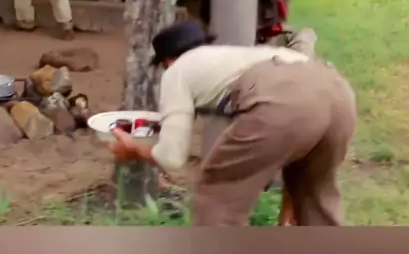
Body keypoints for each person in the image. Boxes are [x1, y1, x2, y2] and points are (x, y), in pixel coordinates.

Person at [109, 20, 356, 226]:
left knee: (217, 197)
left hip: (285, 104)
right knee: (316, 200)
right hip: (338, 94)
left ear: (169, 60)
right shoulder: (241, 57)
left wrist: (135, 149)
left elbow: (172, 157)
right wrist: (289, 206)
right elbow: (302, 116)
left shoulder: (177, 71)